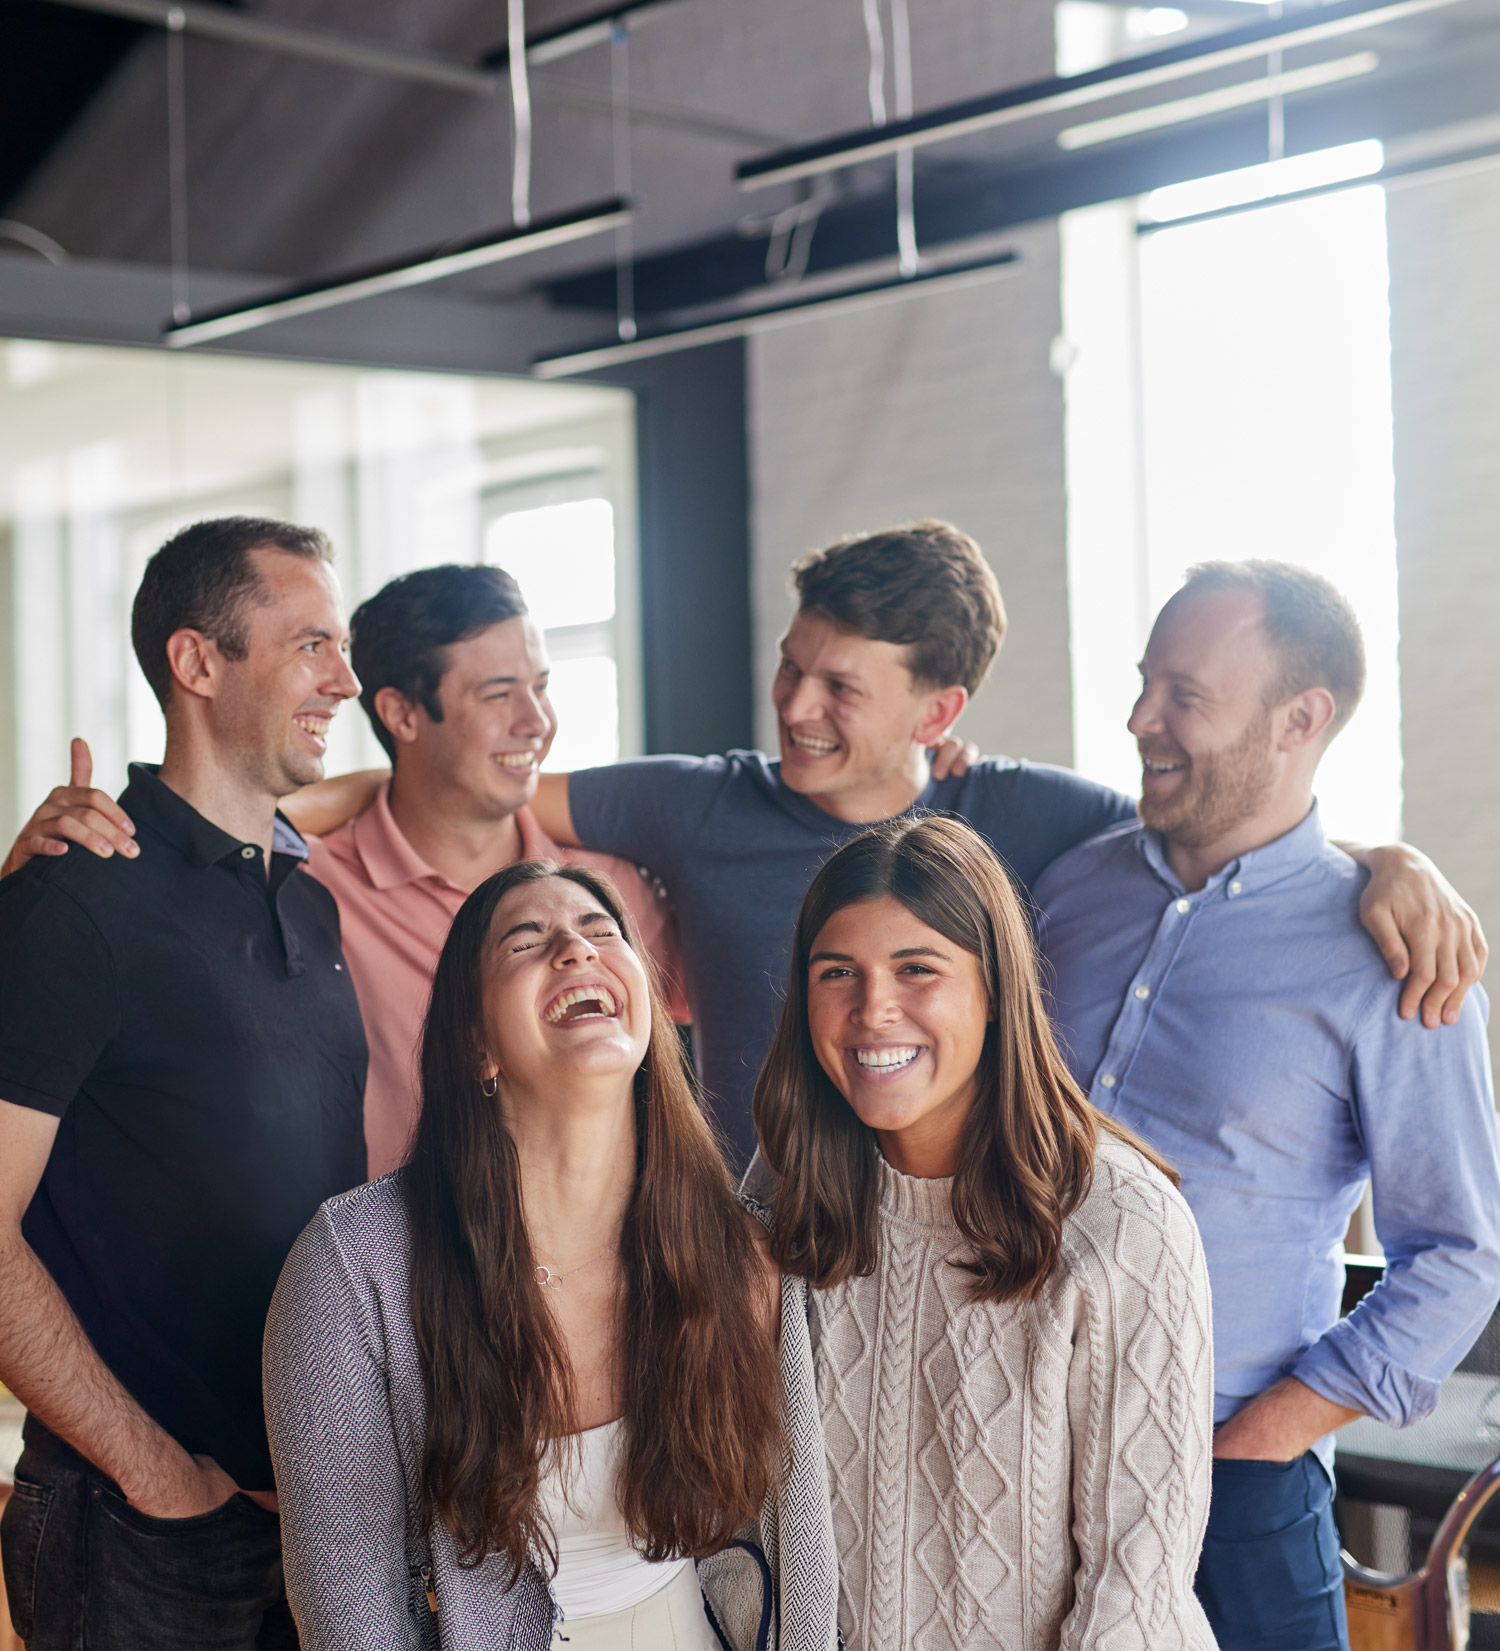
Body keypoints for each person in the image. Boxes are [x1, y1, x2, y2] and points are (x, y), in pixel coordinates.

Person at [259, 520, 1485, 1169]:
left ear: (938, 714)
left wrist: (1385, 860)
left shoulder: (1034, 818)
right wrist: (278, 803)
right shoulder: (697, 803)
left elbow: (1220, 832)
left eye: (840, 690)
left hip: (960, 1274)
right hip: (752, 1267)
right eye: (792, 668)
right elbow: (479, 781)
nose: (793, 709)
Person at [1033, 560, 1500, 1651]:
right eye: (1146, 682)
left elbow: (1460, 1254)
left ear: (1301, 718)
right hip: (1018, 1451)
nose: (1141, 717)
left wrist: (1261, 1440)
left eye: (1184, 695)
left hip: (1230, 1476)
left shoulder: (1394, 957)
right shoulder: (1066, 888)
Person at [262, 859, 839, 1651]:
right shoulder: (353, 1268)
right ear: (477, 1045)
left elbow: (795, 1546)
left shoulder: (743, 1250)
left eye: (602, 931)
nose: (576, 948)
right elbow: (347, 1606)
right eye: (527, 941)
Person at [0, 518, 369, 1650]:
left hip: (310, 1513)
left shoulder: (306, 900)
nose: (345, 681)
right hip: (141, 1524)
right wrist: (157, 1473)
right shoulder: (76, 898)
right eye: (311, 645)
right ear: (197, 662)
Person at [7, 562, 684, 1179]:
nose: (536, 721)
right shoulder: (305, 891)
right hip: (382, 1284)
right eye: (499, 694)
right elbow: (204, 832)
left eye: (540, 687)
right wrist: (34, 873)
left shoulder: (615, 897)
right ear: (398, 713)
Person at [746, 814, 1216, 1650]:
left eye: (917, 969)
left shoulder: (1122, 1222)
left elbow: (1133, 1588)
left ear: (995, 989)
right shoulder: (783, 1188)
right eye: (837, 971)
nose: (871, 1009)